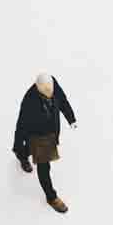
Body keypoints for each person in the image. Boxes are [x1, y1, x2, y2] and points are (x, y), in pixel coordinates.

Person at [12, 72, 78, 213]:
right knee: (44, 168)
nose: (50, 92)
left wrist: (71, 118)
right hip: (38, 136)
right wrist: (17, 143)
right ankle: (51, 197)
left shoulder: (52, 82)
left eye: (51, 89)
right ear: (38, 88)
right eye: (45, 91)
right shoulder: (29, 101)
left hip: (51, 131)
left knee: (29, 150)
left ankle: (22, 154)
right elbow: (21, 126)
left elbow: (63, 101)